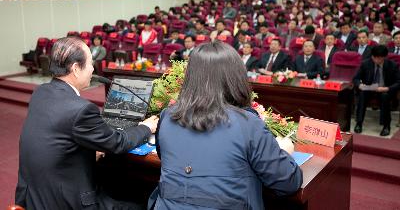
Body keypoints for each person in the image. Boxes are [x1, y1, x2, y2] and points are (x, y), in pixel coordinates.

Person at [151, 41, 302, 209]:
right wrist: (284, 151)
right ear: (236, 77)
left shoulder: (167, 116)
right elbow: (288, 183)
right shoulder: (248, 124)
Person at [15, 37, 159, 209]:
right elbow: (118, 143)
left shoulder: (41, 93)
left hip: (34, 197)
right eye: (91, 63)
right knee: (143, 202)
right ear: (76, 69)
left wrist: (88, 152)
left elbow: (57, 141)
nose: (93, 69)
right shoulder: (81, 110)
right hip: (66, 202)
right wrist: (145, 127)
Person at [353, 45, 400, 136]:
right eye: (374, 57)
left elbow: (398, 82)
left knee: (384, 96)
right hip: (369, 89)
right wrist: (360, 85)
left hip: (384, 90)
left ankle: (386, 126)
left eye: (378, 58)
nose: (375, 60)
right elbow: (356, 79)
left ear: (384, 57)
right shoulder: (366, 63)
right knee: (362, 94)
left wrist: (387, 88)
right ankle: (359, 123)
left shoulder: (392, 65)